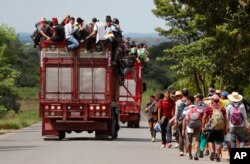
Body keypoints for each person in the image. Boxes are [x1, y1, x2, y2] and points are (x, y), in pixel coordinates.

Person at [202, 94, 227, 162]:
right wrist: (225, 128)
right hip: (220, 128)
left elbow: (204, 117)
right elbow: (225, 119)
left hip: (212, 128)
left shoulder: (209, 107)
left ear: (212, 100)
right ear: (218, 100)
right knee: (219, 142)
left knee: (210, 140)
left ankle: (212, 151)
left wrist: (203, 127)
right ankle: (217, 153)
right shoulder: (222, 108)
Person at [182, 95, 201, 160]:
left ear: (190, 101)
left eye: (186, 100)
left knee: (189, 141)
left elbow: (184, 119)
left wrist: (183, 129)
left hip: (189, 127)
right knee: (196, 140)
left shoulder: (186, 109)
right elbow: (200, 117)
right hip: (197, 126)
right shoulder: (198, 108)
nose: (185, 102)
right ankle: (195, 153)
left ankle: (190, 154)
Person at [176, 88, 189, 156]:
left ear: (182, 94)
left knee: (181, 135)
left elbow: (177, 113)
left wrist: (175, 121)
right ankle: (187, 151)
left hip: (180, 120)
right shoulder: (190, 101)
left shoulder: (179, 102)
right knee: (187, 136)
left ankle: (181, 150)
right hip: (189, 121)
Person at [194, 93, 207, 158]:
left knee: (197, 138)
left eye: (196, 97)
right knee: (203, 137)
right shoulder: (206, 105)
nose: (195, 99)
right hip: (204, 123)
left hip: (196, 123)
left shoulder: (195, 105)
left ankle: (197, 152)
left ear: (198, 98)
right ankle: (201, 149)